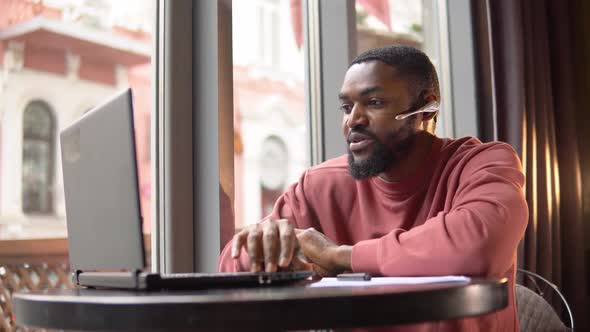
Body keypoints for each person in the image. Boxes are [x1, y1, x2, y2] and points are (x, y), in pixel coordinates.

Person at [218, 45, 528, 331]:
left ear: (427, 108)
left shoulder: (484, 163)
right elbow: (230, 268)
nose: (353, 120)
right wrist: (261, 247)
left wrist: (340, 256)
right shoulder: (319, 185)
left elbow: (474, 246)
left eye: (374, 102)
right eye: (346, 107)